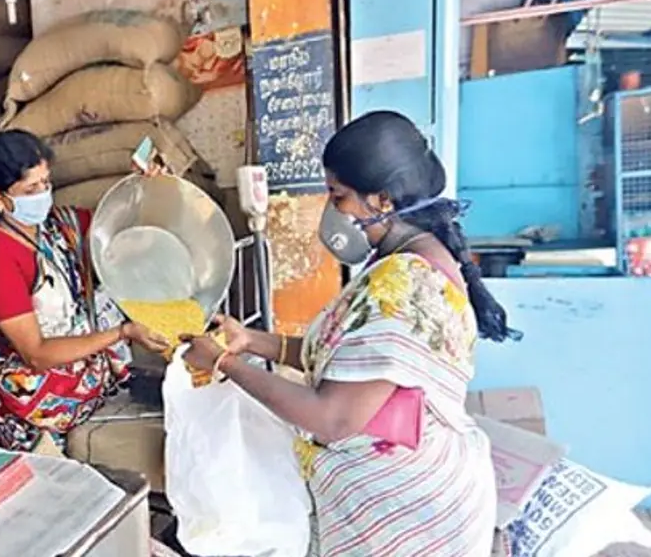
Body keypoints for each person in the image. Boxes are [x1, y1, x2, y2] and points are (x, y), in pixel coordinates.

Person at [182, 110, 518, 557]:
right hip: (408, 497)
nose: (330, 210)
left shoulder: (402, 285)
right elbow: (350, 359)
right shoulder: (405, 260)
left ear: (382, 200)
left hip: (408, 520)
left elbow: (334, 418)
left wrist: (224, 363)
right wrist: (254, 340)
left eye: (337, 196)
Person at [0, 130, 169, 453]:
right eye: (31, 188)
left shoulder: (61, 227)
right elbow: (36, 354)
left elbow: (118, 232)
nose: (43, 194)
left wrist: (143, 190)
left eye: (46, 183)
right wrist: (123, 332)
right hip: (41, 404)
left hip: (94, 383)